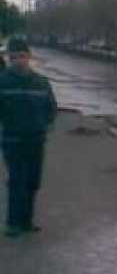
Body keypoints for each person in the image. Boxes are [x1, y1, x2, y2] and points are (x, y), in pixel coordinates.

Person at [0, 39, 57, 238]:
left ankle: (26, 221)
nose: (18, 61)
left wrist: (48, 124)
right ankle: (13, 224)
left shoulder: (41, 82)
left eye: (21, 56)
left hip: (36, 139)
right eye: (13, 57)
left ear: (28, 57)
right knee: (17, 180)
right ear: (8, 58)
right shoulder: (2, 81)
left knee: (33, 182)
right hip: (12, 140)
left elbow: (51, 107)